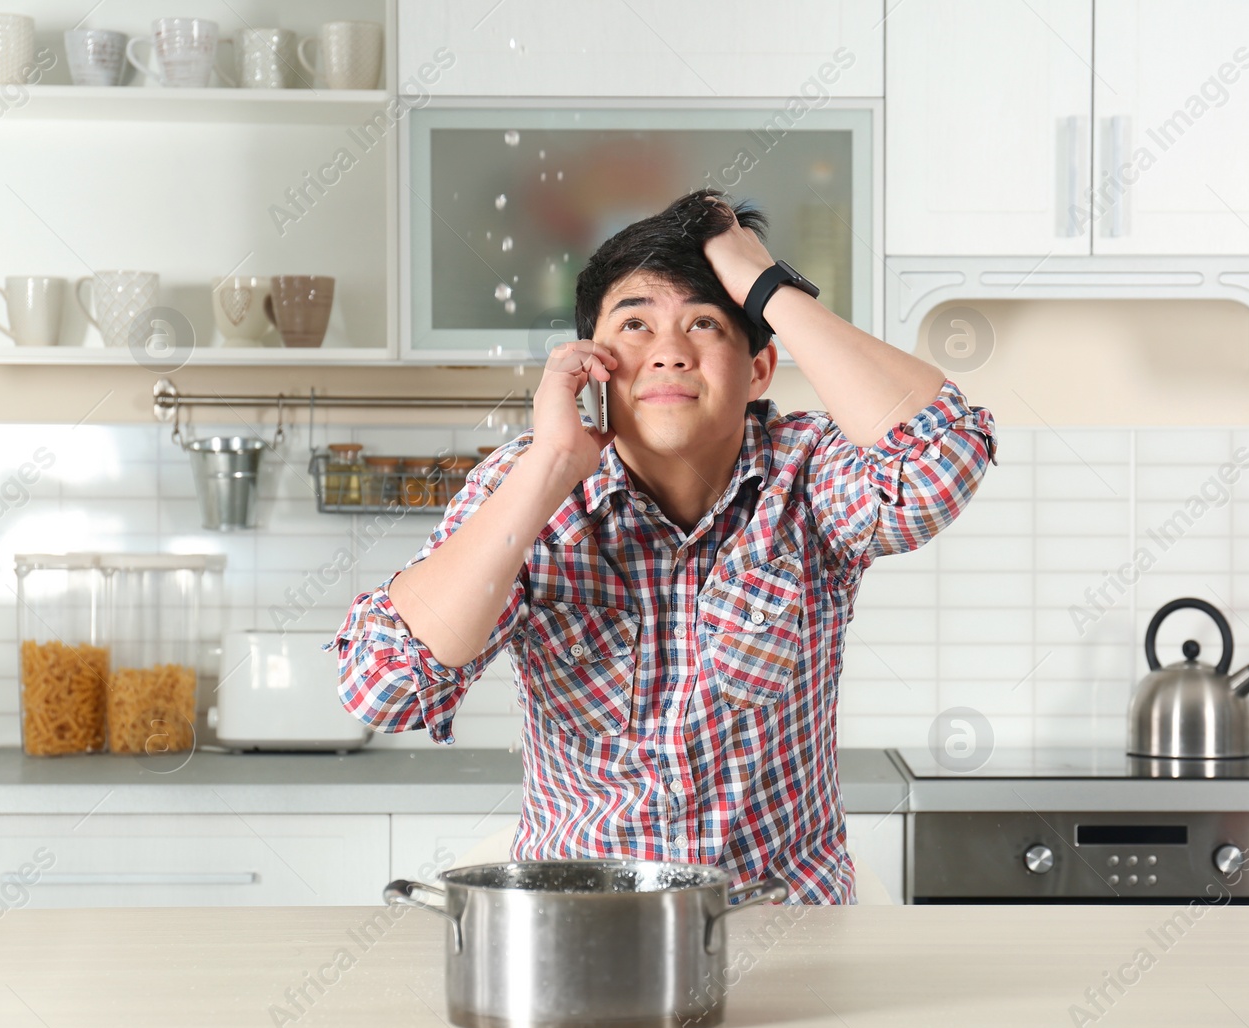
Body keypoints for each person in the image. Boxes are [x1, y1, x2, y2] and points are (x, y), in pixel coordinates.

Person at [331, 189, 996, 903]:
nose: (671, 353)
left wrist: (763, 282)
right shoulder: (529, 486)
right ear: (593, 365)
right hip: (583, 935)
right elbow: (385, 684)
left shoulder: (807, 472)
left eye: (705, 323)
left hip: (782, 929)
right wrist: (551, 466)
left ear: (760, 372)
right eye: (636, 324)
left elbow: (942, 455)